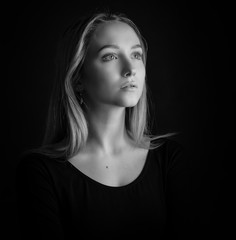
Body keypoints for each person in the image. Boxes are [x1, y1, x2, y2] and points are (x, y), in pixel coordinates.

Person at [15, 11, 191, 240]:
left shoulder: (170, 159)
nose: (131, 69)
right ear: (77, 77)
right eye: (110, 57)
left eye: (136, 55)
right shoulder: (40, 172)